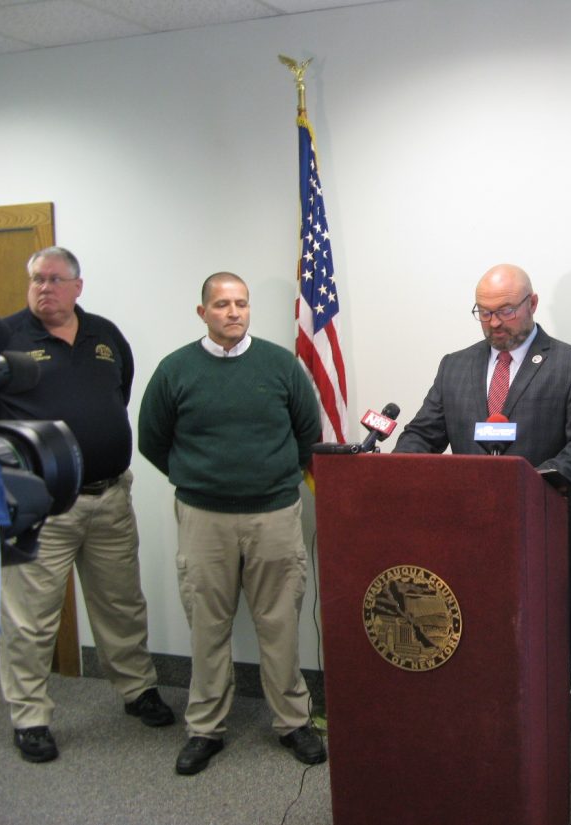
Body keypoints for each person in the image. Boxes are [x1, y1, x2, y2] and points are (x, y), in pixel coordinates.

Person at [138, 272, 326, 776]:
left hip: (274, 515)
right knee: (208, 624)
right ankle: (205, 727)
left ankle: (293, 721)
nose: (234, 312)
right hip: (204, 518)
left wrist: (271, 478)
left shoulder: (280, 366)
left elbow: (307, 434)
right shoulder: (175, 369)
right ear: (202, 312)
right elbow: (151, 440)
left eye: (241, 303)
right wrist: (199, 478)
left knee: (279, 622)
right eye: (222, 304)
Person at [0, 246, 174, 763]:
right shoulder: (6, 340)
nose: (44, 287)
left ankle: (137, 689)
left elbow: (118, 395)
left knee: (121, 603)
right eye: (36, 278)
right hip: (41, 506)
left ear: (78, 286)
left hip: (109, 497)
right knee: (31, 617)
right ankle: (30, 716)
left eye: (55, 279)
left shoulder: (104, 336)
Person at [393, 263, 571, 662]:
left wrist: (527, 487)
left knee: (543, 651)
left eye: (506, 311)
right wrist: (398, 471)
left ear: (532, 303)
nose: (495, 323)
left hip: (542, 530)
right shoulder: (455, 365)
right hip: (465, 530)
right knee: (475, 650)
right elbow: (423, 433)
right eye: (484, 312)